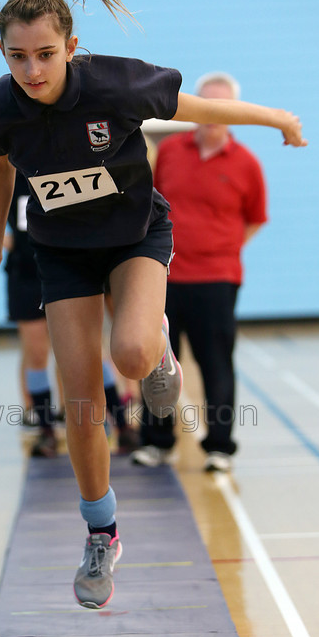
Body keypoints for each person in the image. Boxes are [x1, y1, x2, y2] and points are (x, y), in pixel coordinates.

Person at [0, 0, 307, 609]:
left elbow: (196, 111)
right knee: (83, 399)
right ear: (3, 54)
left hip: (134, 238)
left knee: (131, 353)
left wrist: (273, 118)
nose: (33, 70)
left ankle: (158, 361)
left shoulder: (114, 84)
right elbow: (1, 162)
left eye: (46, 55)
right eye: (17, 57)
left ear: (71, 46)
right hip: (61, 252)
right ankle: (101, 534)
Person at [131, 72, 269, 473]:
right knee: (156, 361)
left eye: (223, 106)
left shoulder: (247, 164)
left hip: (217, 280)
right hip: (163, 278)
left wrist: (222, 249)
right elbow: (148, 205)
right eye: (207, 104)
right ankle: (158, 442)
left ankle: (220, 446)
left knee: (216, 362)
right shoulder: (170, 151)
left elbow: (255, 218)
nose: (213, 114)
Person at [0, 173, 140, 457]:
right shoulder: (12, 178)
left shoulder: (68, 171)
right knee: (36, 354)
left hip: (70, 272)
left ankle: (123, 425)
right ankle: (46, 430)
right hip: (26, 278)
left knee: (90, 352)